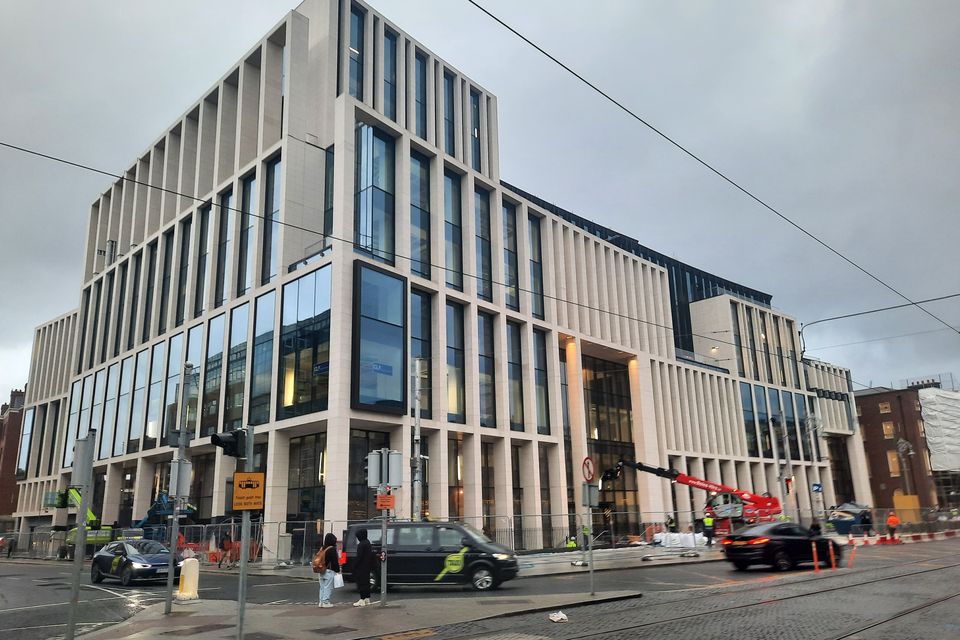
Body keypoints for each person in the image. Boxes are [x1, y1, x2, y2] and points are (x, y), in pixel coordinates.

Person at [317, 532, 341, 608]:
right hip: (329, 570)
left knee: (322, 587)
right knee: (328, 587)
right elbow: (334, 562)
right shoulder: (332, 549)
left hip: (321, 570)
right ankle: (326, 602)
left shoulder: (322, 548)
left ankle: (321, 602)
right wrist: (337, 570)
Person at [352, 529, 374, 607]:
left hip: (361, 567)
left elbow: (359, 557)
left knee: (361, 583)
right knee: (366, 582)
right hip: (367, 566)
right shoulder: (368, 543)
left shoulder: (361, 545)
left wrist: (354, 566)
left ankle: (362, 599)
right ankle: (367, 598)